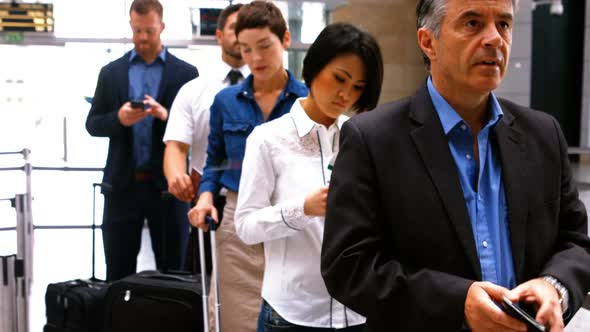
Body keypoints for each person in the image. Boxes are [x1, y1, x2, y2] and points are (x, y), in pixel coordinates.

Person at [320, 0, 590, 331]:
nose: (494, 39)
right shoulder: (373, 140)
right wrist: (456, 302)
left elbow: (576, 242)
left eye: (503, 24)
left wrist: (554, 286)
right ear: (428, 42)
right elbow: (348, 266)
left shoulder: (543, 134)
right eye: (473, 23)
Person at [234, 22, 383, 332]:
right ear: (314, 68)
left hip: (357, 312)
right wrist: (302, 208)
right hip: (292, 315)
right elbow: (246, 227)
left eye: (358, 86)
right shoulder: (268, 139)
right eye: (339, 78)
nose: (345, 94)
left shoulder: (364, 139)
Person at [188, 2, 308, 331]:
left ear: (285, 39)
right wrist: (205, 196)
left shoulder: (307, 102)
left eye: (264, 47)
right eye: (246, 50)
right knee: (236, 318)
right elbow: (213, 164)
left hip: (291, 222)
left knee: (289, 316)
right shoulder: (225, 102)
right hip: (239, 221)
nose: (255, 59)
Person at [85, 0, 197, 282]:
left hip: (168, 191)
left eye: (149, 31)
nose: (143, 38)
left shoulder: (186, 74)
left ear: (162, 27)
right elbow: (92, 124)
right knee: (117, 275)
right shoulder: (111, 73)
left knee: (175, 275)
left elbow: (197, 130)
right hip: (122, 188)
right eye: (137, 31)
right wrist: (119, 119)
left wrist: (166, 115)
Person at [163, 3, 249, 274]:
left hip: (262, 205)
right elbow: (176, 146)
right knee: (205, 295)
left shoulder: (273, 90)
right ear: (220, 35)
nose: (242, 36)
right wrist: (176, 175)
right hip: (210, 204)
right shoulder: (194, 90)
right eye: (236, 29)